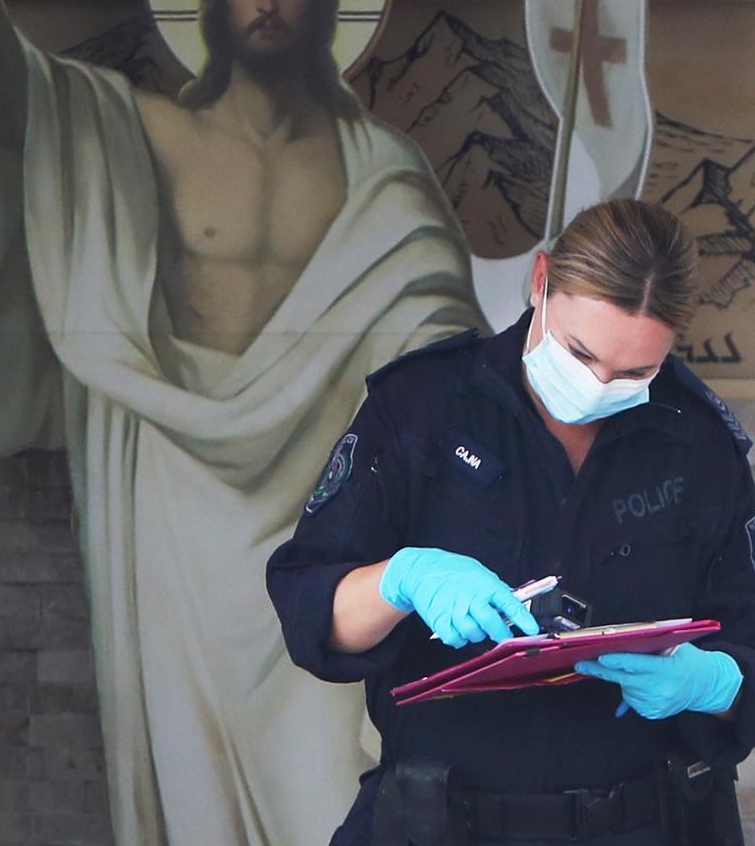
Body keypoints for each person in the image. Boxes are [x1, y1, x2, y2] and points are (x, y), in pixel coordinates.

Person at [0, 0, 484, 846]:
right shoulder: (135, 132)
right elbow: (11, 91)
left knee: (328, 774)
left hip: (327, 502)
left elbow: (439, 343)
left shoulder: (378, 165)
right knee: (190, 780)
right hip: (176, 501)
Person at [267, 198, 755, 845]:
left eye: (636, 371)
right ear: (540, 280)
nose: (599, 385)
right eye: (580, 353)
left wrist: (715, 681)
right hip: (441, 820)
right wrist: (402, 579)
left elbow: (747, 637)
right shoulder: (423, 406)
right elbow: (310, 609)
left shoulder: (697, 444)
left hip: (647, 820)